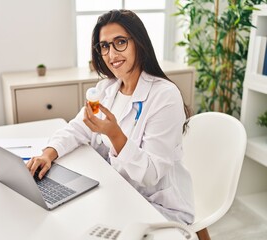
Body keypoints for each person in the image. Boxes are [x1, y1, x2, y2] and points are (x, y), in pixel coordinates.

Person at [27, 9, 194, 224]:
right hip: (117, 191)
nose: (112, 54)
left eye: (120, 42)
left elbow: (151, 174)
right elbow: (78, 127)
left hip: (156, 206)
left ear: (139, 43)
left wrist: (115, 136)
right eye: (105, 46)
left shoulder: (165, 96)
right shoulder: (106, 89)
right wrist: (48, 154)